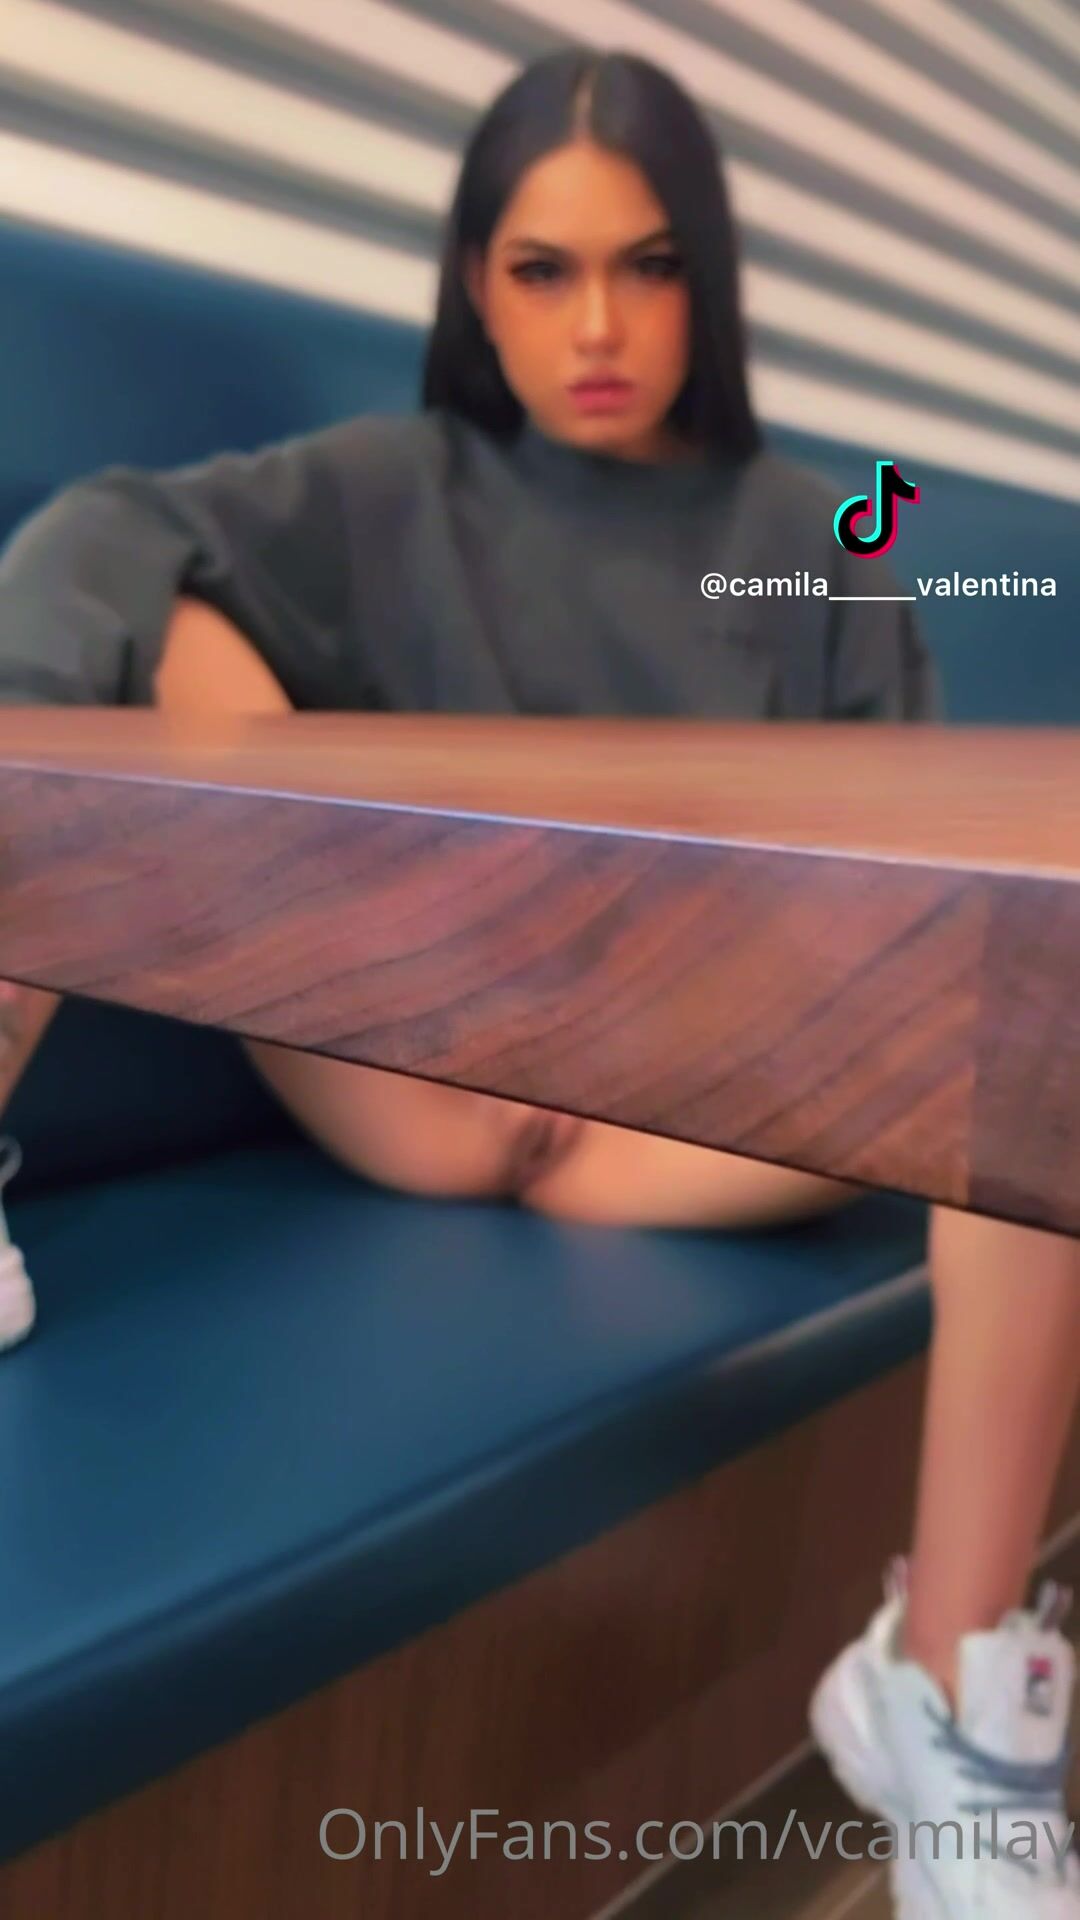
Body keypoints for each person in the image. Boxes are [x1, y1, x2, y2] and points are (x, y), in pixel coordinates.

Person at [1, 43, 1078, 1915]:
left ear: (706, 283)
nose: (597, 324)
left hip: (730, 1121)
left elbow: (910, 901)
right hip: (421, 1079)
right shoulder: (387, 488)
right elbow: (105, 536)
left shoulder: (811, 540)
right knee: (167, 616)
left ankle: (948, 1695)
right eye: (543, 269)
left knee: (1037, 1000)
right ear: (475, 285)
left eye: (647, 267)